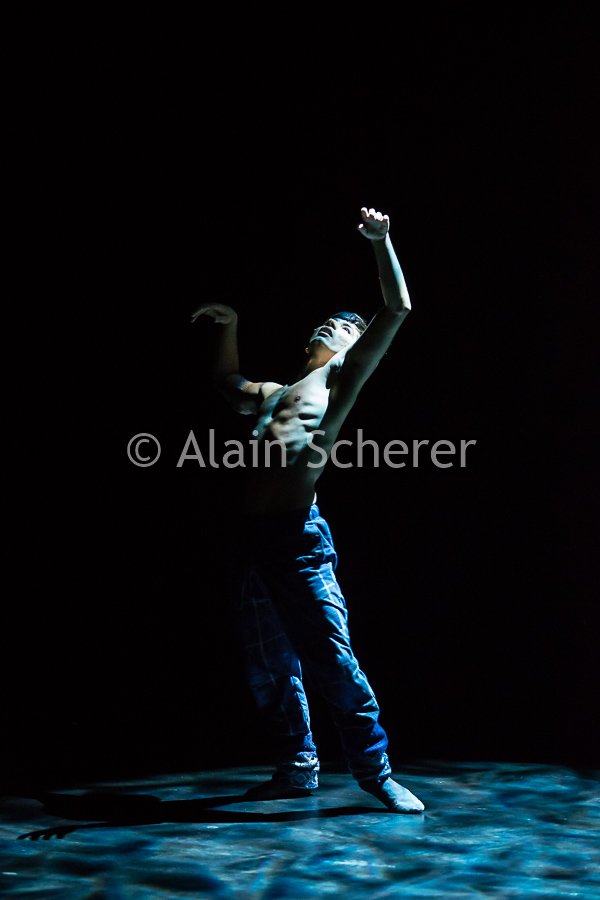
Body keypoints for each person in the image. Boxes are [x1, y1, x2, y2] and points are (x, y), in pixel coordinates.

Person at [191, 207, 424, 813]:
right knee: (268, 666)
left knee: (331, 658)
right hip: (253, 541)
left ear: (353, 346)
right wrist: (230, 325)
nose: (334, 324)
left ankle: (375, 772)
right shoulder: (274, 394)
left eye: (346, 326)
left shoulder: (339, 383)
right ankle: (297, 768)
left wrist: (381, 241)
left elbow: (397, 308)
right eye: (329, 320)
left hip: (298, 539)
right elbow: (226, 383)